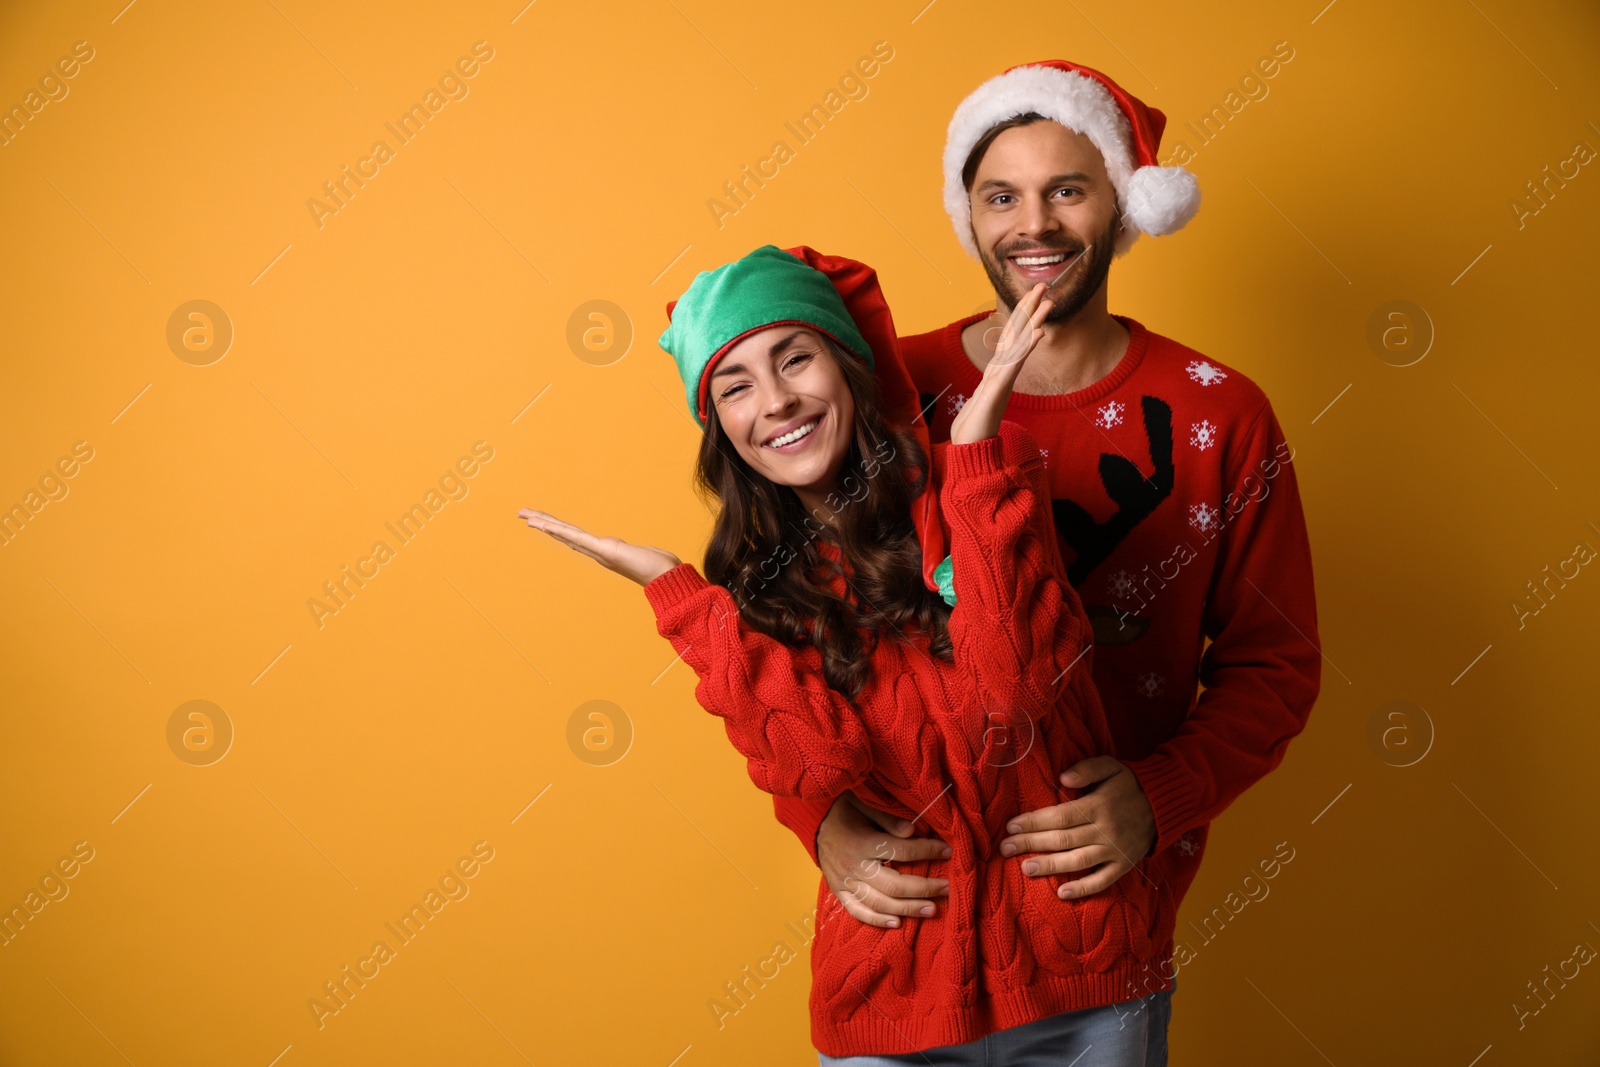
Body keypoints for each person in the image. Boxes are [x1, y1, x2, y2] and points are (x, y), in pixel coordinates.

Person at [771, 60, 1322, 1057]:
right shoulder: (890, 395)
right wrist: (819, 816)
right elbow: (793, 636)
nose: (1035, 223)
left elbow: (1273, 663)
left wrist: (1163, 794)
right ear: (968, 215)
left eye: (1067, 188)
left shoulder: (1219, 412)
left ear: (1120, 205)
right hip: (905, 934)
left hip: (1097, 938)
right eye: (1001, 195)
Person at [519, 244, 1174, 1062]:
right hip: (888, 987)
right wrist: (684, 599)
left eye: (796, 357)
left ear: (848, 367)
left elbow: (1014, 695)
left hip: (1082, 979)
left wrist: (971, 453)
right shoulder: (751, 588)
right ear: (718, 426)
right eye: (735, 385)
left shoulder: (985, 490)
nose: (777, 400)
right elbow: (823, 764)